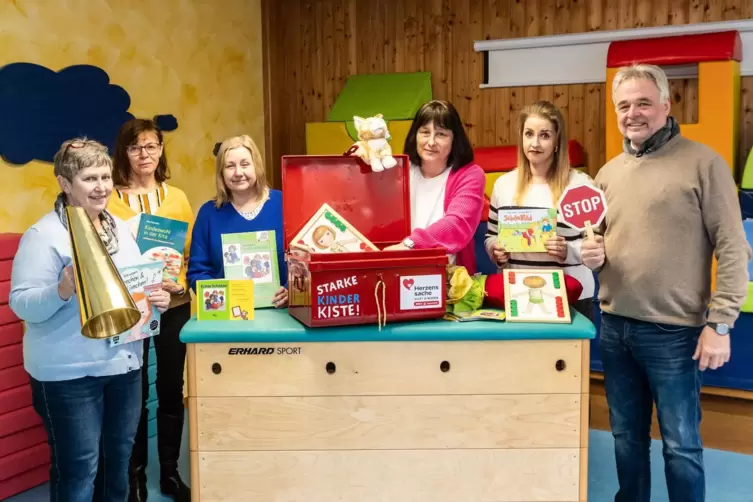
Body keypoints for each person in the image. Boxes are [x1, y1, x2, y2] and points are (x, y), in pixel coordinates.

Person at [581, 63, 752, 502]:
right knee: (625, 438)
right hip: (615, 326)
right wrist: (593, 254)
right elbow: (598, 241)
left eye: (642, 102)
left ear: (665, 104)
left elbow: (734, 247)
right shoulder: (607, 173)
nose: (633, 113)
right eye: (623, 105)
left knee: (680, 447)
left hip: (675, 334)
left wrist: (721, 323)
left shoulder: (704, 163)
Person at [9, 138, 171, 502]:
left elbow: (134, 289)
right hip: (69, 376)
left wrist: (155, 298)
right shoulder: (43, 235)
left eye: (105, 176)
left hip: (124, 368)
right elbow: (21, 304)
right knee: (80, 469)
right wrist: (62, 289)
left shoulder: (121, 228)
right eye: (89, 178)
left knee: (118, 462)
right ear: (66, 184)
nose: (101, 187)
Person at [107, 118, 194, 502]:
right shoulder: (108, 198)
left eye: (152, 146)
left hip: (174, 305)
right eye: (135, 147)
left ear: (161, 151)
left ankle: (170, 474)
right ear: (123, 152)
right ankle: (136, 477)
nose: (145, 154)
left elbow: (190, 256)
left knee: (171, 389)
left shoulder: (177, 198)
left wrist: (181, 283)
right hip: (132, 310)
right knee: (134, 392)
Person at [484, 100, 596, 320]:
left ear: (557, 141)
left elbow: (595, 245)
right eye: (529, 134)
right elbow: (491, 236)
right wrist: (495, 251)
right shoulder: (503, 185)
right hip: (517, 293)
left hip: (571, 294)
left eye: (544, 135)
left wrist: (568, 250)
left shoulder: (581, 186)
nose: (535, 143)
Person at [383, 100, 486, 275]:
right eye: (424, 132)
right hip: (396, 271)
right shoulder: (398, 169)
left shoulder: (470, 175)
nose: (431, 142)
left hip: (446, 278)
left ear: (455, 139)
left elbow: (457, 224)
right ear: (415, 136)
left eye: (441, 134)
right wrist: (358, 162)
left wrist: (410, 244)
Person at [187, 135, 288, 305]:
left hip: (283, 315)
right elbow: (198, 272)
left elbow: (306, 261)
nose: (238, 173)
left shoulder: (285, 203)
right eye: (230, 166)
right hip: (228, 317)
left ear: (257, 166)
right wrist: (222, 298)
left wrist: (292, 291)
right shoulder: (208, 214)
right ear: (221, 172)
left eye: (245, 164)